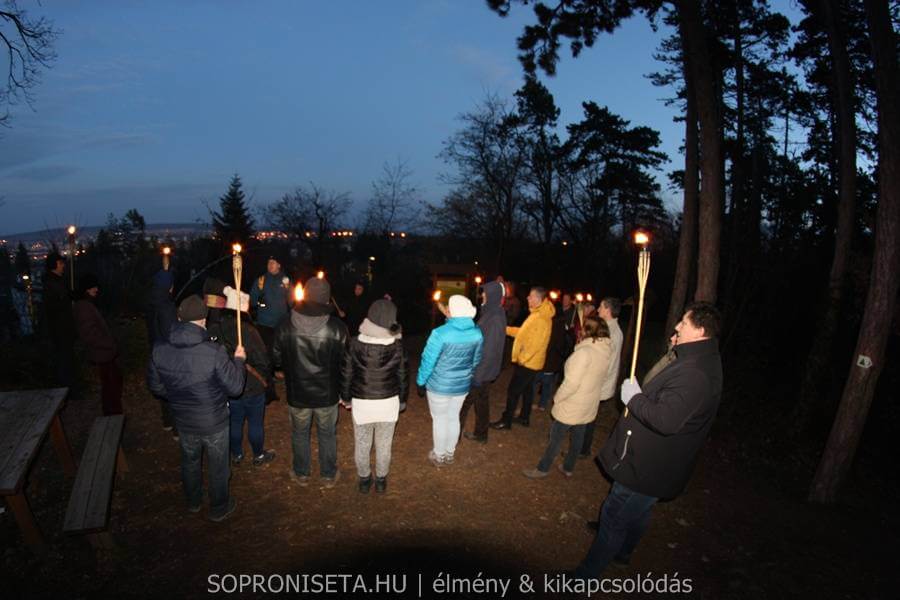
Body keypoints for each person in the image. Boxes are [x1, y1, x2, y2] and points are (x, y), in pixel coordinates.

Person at [575, 302, 723, 578]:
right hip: (657, 463)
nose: (678, 326)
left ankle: (585, 576)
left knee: (614, 514)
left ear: (701, 330)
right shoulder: (697, 360)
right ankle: (623, 551)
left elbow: (666, 420)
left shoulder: (697, 373)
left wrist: (635, 397)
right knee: (638, 512)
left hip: (651, 465)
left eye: (685, 323)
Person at [147, 295, 246, 522]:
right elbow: (236, 387)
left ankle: (193, 502)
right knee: (218, 466)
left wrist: (178, 394)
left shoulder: (159, 349)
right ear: (204, 320)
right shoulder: (214, 352)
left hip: (183, 421)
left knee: (190, 462)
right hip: (214, 422)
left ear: (179, 317)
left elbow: (156, 387)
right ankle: (219, 507)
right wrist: (239, 361)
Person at [273, 276, 348, 488]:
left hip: (298, 393)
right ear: (326, 298)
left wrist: (286, 368)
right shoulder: (337, 328)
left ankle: (302, 473)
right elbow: (345, 363)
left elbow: (276, 359)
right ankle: (328, 474)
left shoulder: (285, 324)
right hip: (327, 393)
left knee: (299, 433)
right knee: (327, 434)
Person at [523, 316, 612, 479]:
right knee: (578, 436)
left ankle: (543, 468)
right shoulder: (604, 351)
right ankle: (568, 467)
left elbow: (571, 383)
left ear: (587, 331)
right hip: (588, 402)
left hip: (573, 403)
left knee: (556, 438)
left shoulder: (584, 353)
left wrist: (558, 397)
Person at [340, 299, 408, 494]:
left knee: (362, 443)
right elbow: (403, 375)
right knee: (384, 444)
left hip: (362, 403)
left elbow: (346, 374)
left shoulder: (354, 344)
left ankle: (364, 479)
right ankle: (380, 479)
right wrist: (402, 399)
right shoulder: (397, 346)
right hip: (388, 403)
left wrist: (345, 398)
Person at [210, 286, 276, 467]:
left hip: (230, 384)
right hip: (252, 385)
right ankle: (258, 455)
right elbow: (262, 358)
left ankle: (237, 454)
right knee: (255, 421)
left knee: (235, 420)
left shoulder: (216, 329)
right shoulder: (248, 330)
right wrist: (264, 376)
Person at [416, 295, 483, 467]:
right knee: (454, 417)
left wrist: (421, 381)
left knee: (439, 419)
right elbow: (476, 361)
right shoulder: (476, 333)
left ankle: (438, 455)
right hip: (462, 385)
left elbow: (428, 360)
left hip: (439, 385)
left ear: (453, 311)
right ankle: (449, 453)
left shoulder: (439, 333)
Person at [490, 286, 555, 430]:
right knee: (527, 390)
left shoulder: (541, 318)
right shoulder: (538, 314)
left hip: (528, 363)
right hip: (532, 362)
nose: (527, 298)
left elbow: (536, 344)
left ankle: (506, 421)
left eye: (531, 296)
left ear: (538, 299)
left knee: (513, 391)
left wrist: (522, 359)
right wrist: (505, 329)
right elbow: (524, 333)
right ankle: (524, 417)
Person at [459, 280, 506, 443]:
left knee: (463, 403)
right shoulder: (491, 312)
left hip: (481, 371)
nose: (482, 295)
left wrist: (478, 375)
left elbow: (490, 350)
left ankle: (452, 438)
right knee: (481, 402)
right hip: (484, 370)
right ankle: (481, 434)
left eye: (485, 293)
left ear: (492, 295)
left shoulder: (494, 318)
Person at [72, 274, 123, 416]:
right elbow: (89, 334)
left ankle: (113, 412)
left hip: (104, 353)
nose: (97, 289)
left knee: (112, 384)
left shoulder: (86, 304)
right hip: (102, 353)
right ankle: (112, 414)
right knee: (110, 386)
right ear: (86, 289)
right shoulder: (83, 307)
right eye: (94, 287)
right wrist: (110, 344)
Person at [579, 297, 624, 458]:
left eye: (601, 307)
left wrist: (596, 381)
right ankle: (582, 446)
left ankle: (583, 448)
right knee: (588, 414)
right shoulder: (608, 328)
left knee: (589, 417)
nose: (598, 309)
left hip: (599, 383)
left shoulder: (613, 333)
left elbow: (609, 363)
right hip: (598, 382)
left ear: (608, 310)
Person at [250, 257, 291, 403]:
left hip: (282, 324)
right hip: (264, 324)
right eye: (268, 262)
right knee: (266, 355)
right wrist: (259, 302)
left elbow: (291, 299)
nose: (269, 265)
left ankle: (284, 379)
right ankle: (269, 388)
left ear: (279, 265)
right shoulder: (261, 280)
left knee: (282, 352)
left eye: (272, 263)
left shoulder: (285, 280)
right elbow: (253, 300)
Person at [146, 268, 178, 437]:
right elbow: (171, 333)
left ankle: (166, 421)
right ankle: (177, 430)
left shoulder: (152, 302)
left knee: (163, 386)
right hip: (168, 354)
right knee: (173, 389)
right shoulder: (166, 307)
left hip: (155, 351)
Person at [42, 252, 76, 390]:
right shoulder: (52, 285)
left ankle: (69, 388)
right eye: (61, 263)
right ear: (55, 264)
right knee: (64, 362)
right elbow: (55, 310)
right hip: (60, 331)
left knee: (67, 361)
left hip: (63, 330)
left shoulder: (58, 282)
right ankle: (66, 391)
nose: (64, 266)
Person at [533, 307, 568, 412]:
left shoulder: (550, 325)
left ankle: (531, 402)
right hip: (552, 363)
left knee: (534, 382)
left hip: (544, 360)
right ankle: (542, 405)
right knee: (546, 385)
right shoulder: (563, 327)